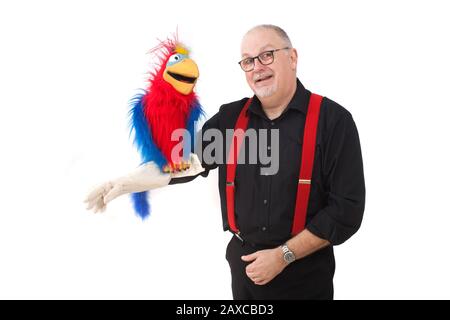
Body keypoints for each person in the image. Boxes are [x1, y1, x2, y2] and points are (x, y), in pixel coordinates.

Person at [87, 24, 365, 300]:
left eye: (267, 55)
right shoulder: (231, 119)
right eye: (248, 61)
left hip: (306, 276)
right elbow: (186, 163)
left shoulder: (333, 121)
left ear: (292, 57)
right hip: (243, 273)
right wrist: (125, 183)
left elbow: (346, 210)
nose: (257, 66)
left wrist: (283, 256)